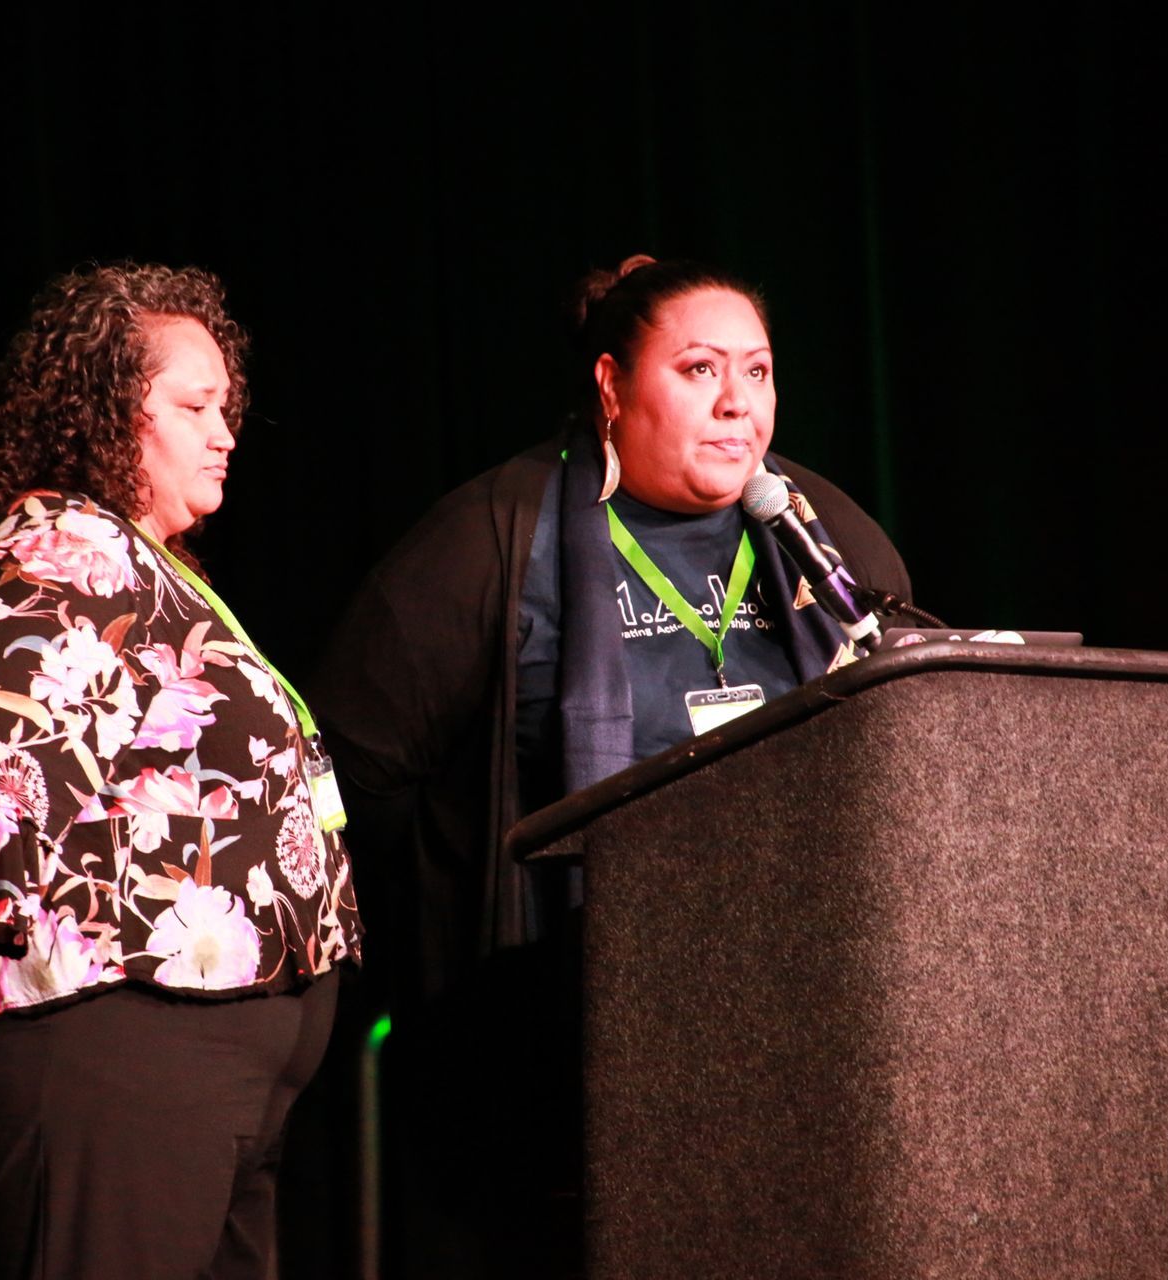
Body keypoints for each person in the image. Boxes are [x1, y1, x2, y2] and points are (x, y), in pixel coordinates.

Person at [308, 255, 915, 1275]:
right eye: (698, 369)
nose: (738, 403)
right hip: (568, 1033)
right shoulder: (495, 536)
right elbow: (349, 771)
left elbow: (919, 706)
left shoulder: (814, 531)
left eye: (759, 371)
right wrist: (465, 923)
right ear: (609, 385)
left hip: (806, 1015)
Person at [0, 262, 360, 1280]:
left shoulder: (144, 566)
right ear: (112, 413)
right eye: (194, 405)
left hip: (198, 1068)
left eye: (228, 406)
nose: (225, 432)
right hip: (111, 1053)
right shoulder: (60, 547)